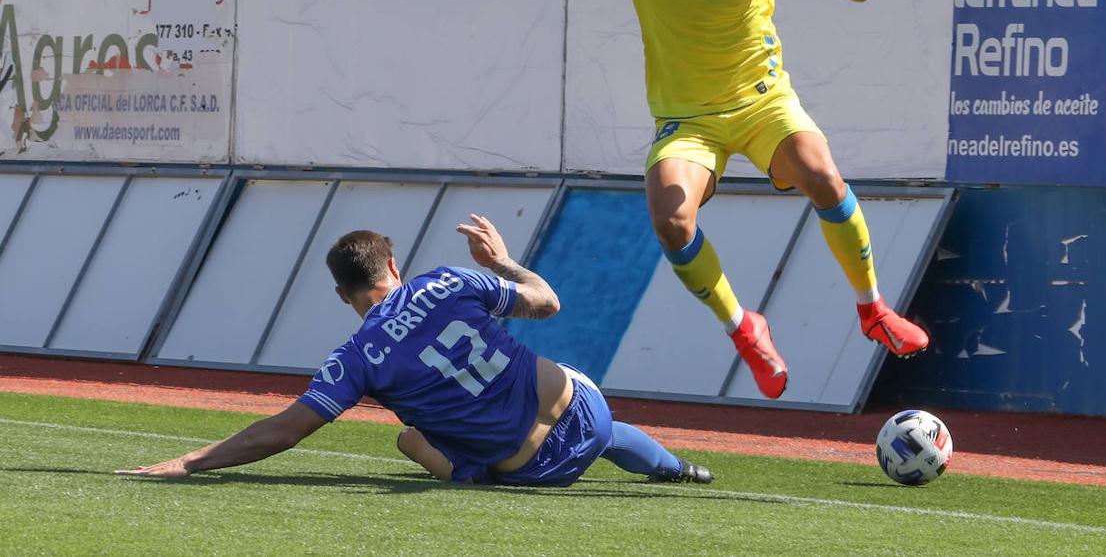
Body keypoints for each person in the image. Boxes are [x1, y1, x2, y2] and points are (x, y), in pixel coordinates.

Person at [398, 0, 929, 400]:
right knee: (672, 221)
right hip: (688, 120)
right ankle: (744, 328)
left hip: (764, 103)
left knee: (821, 175)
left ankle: (872, 309)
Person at [116, 215, 713, 487]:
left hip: (532, 471)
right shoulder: (448, 280)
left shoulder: (355, 357)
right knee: (581, 398)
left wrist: (190, 462)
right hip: (587, 414)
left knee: (408, 437)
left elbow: (283, 431)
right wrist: (502, 259)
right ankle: (678, 469)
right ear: (394, 267)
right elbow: (547, 302)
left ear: (340, 294)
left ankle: (474, 468)